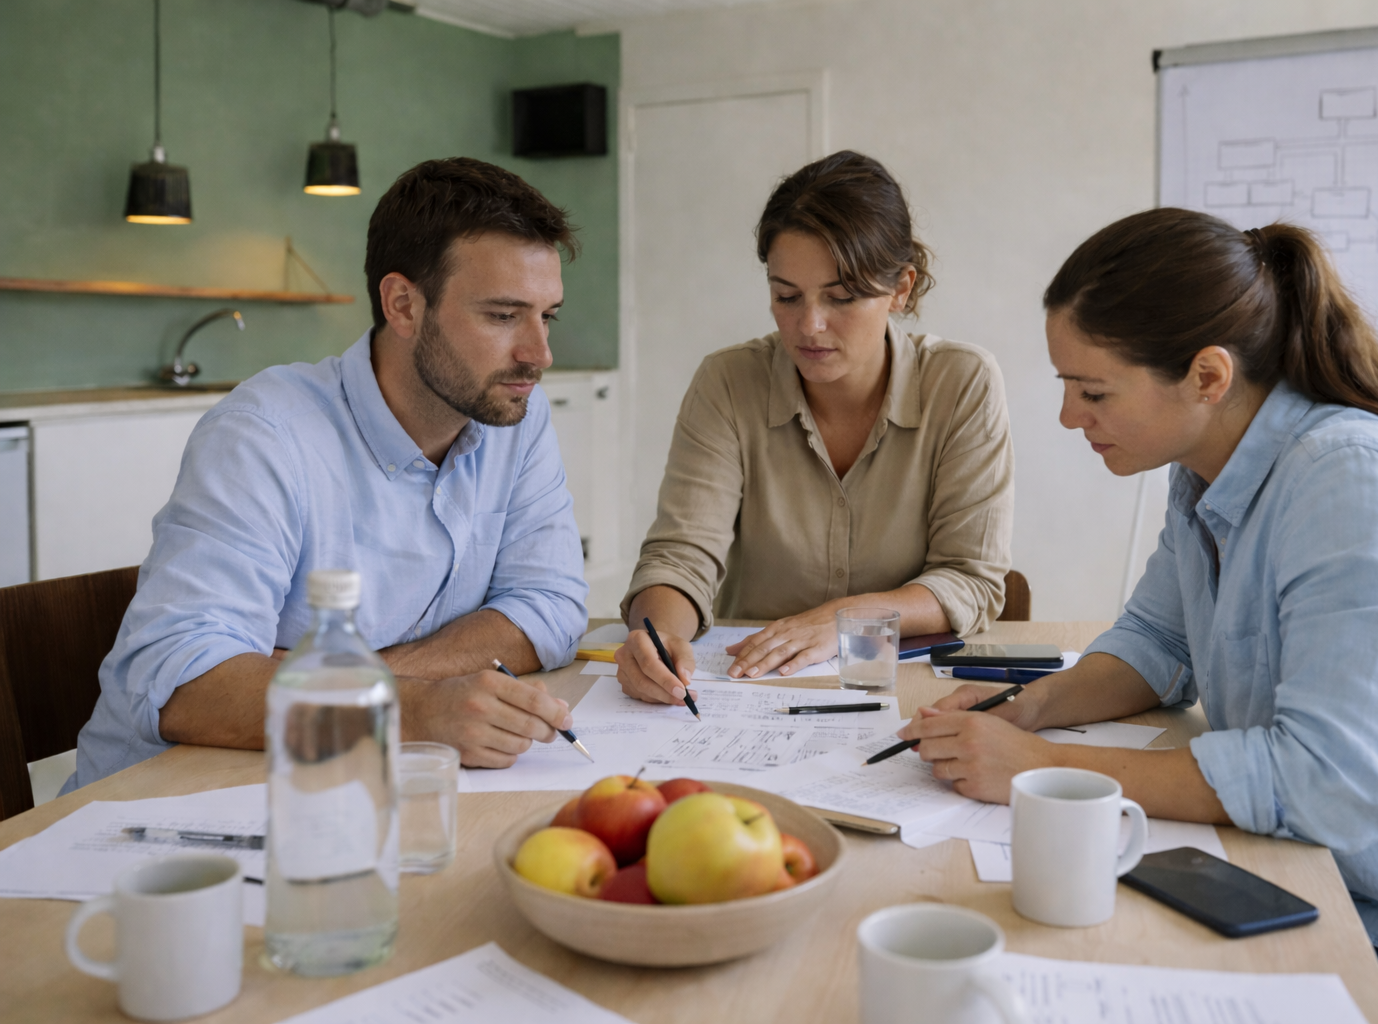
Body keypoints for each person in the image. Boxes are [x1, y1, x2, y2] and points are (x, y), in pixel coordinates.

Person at [902, 208, 1378, 1021]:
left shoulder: (1349, 481)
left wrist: (1035, 770)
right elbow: (1159, 642)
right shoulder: (1204, 466)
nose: (1068, 417)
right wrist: (1029, 706)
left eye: (1092, 391)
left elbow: (1333, 784)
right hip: (1320, 876)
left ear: (1208, 375)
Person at [66, 158, 589, 791]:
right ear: (402, 304)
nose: (540, 355)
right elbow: (182, 680)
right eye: (503, 316)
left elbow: (552, 606)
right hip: (159, 815)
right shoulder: (265, 433)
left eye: (547, 315)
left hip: (336, 787)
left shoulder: (511, 416)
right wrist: (411, 709)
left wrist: (369, 676)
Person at [616, 151, 1014, 706]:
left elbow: (970, 578)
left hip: (906, 690)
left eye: (841, 297)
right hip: (750, 689)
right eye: (786, 296)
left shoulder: (961, 381)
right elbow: (681, 559)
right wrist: (658, 639)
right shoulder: (728, 381)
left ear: (901, 288)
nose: (809, 326)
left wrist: (843, 621)